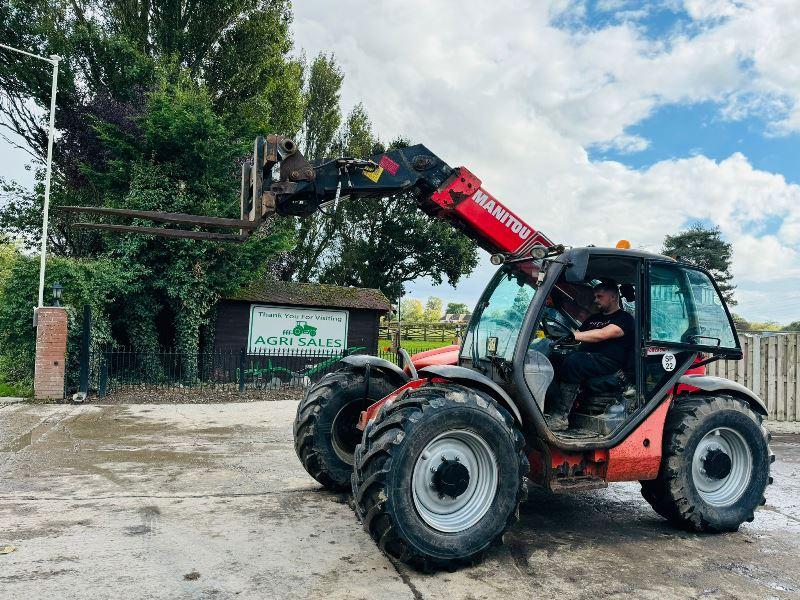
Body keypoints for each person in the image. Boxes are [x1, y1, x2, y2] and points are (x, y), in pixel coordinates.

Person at [545, 280, 634, 431]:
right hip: (588, 358)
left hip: (608, 362)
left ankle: (560, 416)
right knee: (551, 359)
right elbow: (580, 334)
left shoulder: (624, 318)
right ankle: (548, 409)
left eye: (599, 296)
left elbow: (603, 334)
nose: (595, 300)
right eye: (595, 297)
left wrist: (574, 336)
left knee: (574, 362)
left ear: (612, 297)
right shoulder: (594, 319)